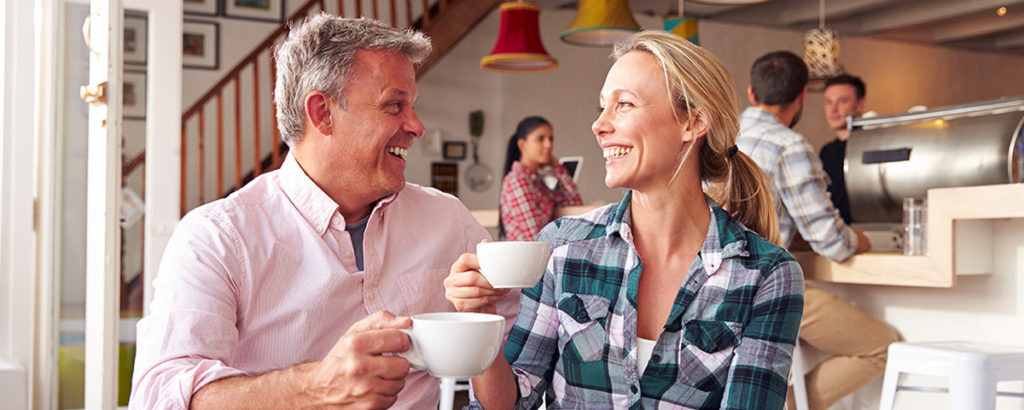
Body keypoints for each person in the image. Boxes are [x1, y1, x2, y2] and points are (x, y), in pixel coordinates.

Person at [129, 15, 519, 409]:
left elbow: (514, 381)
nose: (417, 126)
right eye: (394, 105)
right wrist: (316, 386)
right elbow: (161, 396)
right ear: (322, 113)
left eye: (412, 106)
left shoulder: (447, 220)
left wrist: (481, 322)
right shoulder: (217, 237)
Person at [444, 31, 805, 409]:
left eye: (624, 105)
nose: (598, 125)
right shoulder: (564, 247)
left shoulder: (767, 275)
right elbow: (510, 403)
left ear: (692, 122)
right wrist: (479, 322)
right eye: (602, 107)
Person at [736, 51, 899, 410]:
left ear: (751, 93)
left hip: (717, 291)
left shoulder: (718, 139)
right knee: (883, 346)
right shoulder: (789, 146)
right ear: (801, 98)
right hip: (764, 290)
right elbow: (831, 242)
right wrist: (863, 240)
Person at [499, 116, 582, 241]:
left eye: (551, 139)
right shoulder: (517, 180)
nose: (549, 145)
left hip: (543, 254)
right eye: (540, 139)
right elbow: (535, 238)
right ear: (522, 145)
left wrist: (559, 169)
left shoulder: (538, 182)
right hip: (529, 258)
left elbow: (575, 207)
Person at [819, 74, 866, 224]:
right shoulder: (826, 151)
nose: (833, 109)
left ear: (859, 104)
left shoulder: (869, 146)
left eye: (842, 101)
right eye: (828, 102)